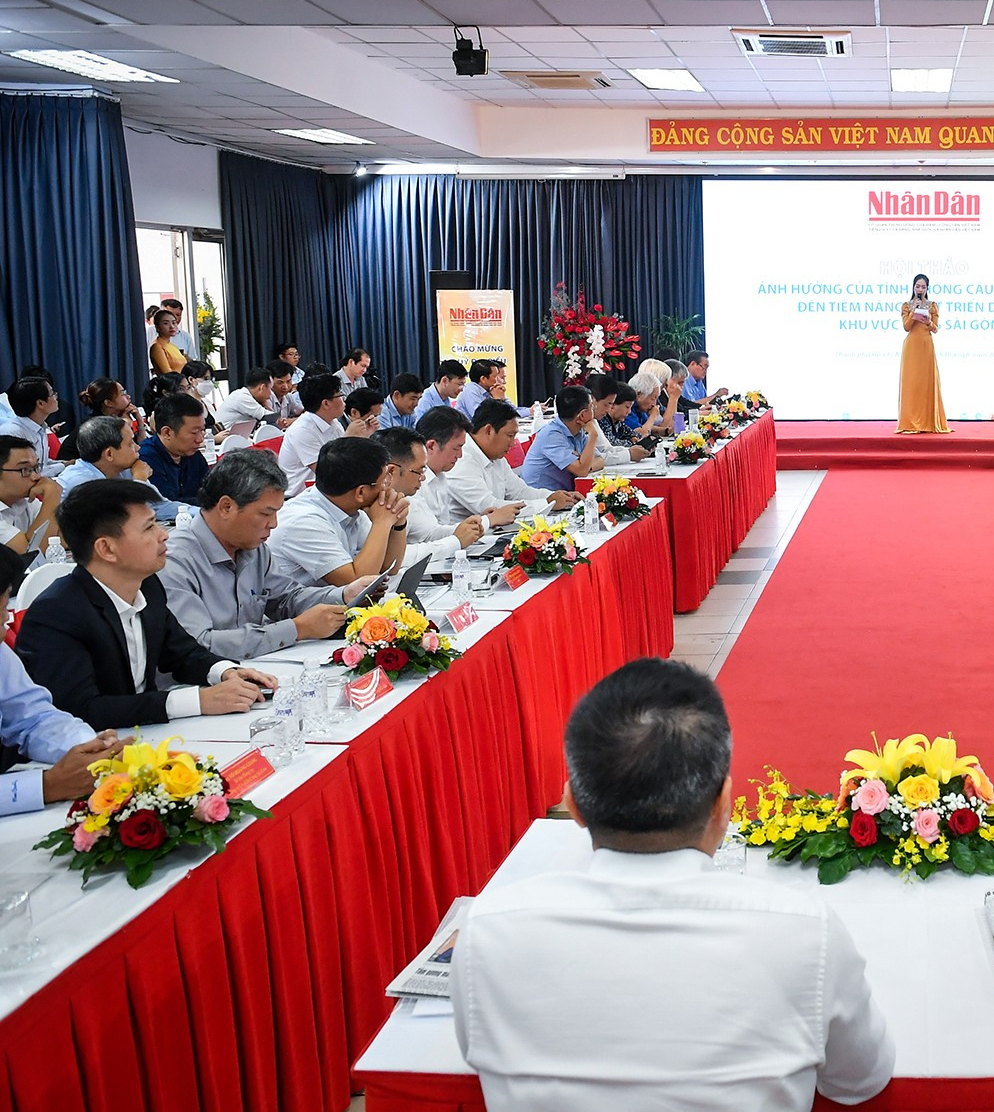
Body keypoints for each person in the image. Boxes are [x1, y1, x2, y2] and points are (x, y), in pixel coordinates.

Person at [451, 659, 895, 1109]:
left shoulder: (488, 929)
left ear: (574, 807)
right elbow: (858, 1082)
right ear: (724, 803)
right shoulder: (806, 932)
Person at [14, 479, 275, 725]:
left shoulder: (147, 585)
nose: (164, 535)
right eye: (149, 527)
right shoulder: (56, 614)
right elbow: (81, 709)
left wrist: (225, 672)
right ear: (106, 549)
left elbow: (182, 652)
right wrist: (197, 701)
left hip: (146, 734)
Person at [0, 536, 123, 826]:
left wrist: (91, 749)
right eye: (2, 608)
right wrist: (46, 786)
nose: (8, 618)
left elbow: (34, 719)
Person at [159, 450, 364, 658]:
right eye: (266, 514)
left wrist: (344, 594)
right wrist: (297, 629)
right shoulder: (174, 561)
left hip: (256, 667)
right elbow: (199, 645)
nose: (274, 524)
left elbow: (286, 598)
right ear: (226, 507)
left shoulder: (253, 548)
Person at [268, 437, 409, 587]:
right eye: (384, 480)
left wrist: (398, 521)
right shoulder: (304, 522)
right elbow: (358, 585)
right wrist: (382, 522)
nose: (388, 487)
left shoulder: (348, 506)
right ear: (360, 492)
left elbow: (389, 567)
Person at [441, 400, 582, 521]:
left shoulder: (496, 456)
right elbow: (490, 507)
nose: (513, 443)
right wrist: (547, 502)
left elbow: (520, 491)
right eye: (509, 435)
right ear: (489, 430)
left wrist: (558, 496)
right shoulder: (462, 459)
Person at [373, 427, 489, 567]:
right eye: (419, 471)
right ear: (392, 471)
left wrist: (466, 529)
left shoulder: (408, 497)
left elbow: (428, 533)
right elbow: (393, 558)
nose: (422, 478)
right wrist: (455, 541)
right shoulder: (368, 505)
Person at [412, 408, 524, 547]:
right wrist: (487, 520)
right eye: (456, 448)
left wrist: (478, 520)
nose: (460, 455)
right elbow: (429, 536)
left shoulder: (440, 476)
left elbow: (439, 530)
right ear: (432, 446)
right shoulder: (413, 481)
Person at [0, 435, 56, 552]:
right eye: (25, 470)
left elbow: (64, 538)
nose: (36, 476)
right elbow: (28, 554)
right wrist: (53, 496)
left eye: (36, 468)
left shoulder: (20, 498)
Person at [520, 386, 605, 493]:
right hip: (541, 498)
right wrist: (593, 436)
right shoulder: (551, 435)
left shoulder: (578, 430)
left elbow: (600, 460)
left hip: (562, 494)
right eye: (592, 408)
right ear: (582, 415)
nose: (594, 411)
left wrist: (586, 465)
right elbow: (582, 470)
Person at [277, 373, 350, 493]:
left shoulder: (333, 421)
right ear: (326, 403)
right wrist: (351, 438)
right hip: (299, 495)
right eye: (340, 395)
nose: (344, 400)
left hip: (324, 490)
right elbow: (329, 473)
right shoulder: (302, 431)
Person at [897, 272, 949, 434]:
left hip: (926, 345)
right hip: (912, 346)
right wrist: (915, 311)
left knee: (926, 383)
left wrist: (929, 321)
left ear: (927, 288)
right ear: (913, 287)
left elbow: (936, 329)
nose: (920, 289)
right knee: (912, 383)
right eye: (917, 286)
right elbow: (907, 326)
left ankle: (928, 421)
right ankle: (910, 422)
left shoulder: (932, 305)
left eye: (923, 286)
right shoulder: (907, 305)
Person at [138, 392, 211, 505]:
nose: (200, 439)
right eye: (194, 432)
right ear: (167, 432)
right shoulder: (146, 458)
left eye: (202, 430)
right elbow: (164, 504)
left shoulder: (193, 454)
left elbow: (211, 491)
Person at [0, 376, 64, 478]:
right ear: (40, 403)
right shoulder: (12, 432)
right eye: (52, 393)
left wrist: (68, 463)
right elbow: (26, 474)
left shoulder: (40, 426)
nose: (56, 397)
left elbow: (43, 464)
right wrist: (63, 466)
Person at [582, 377, 654, 466]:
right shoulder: (583, 422)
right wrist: (629, 454)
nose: (609, 409)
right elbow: (594, 459)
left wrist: (633, 450)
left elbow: (607, 449)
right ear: (592, 400)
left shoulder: (593, 421)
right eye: (607, 404)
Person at [216, 366, 277, 433]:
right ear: (262, 387)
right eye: (270, 389)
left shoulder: (248, 396)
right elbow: (270, 417)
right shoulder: (242, 397)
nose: (271, 394)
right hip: (224, 439)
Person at [149, 308, 187, 375]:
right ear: (157, 327)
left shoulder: (173, 346)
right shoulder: (157, 347)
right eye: (166, 323)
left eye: (174, 322)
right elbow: (168, 374)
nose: (172, 326)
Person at [267, 358, 303, 424]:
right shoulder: (266, 397)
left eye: (288, 381)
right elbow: (277, 423)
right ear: (270, 382)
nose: (285, 387)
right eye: (280, 382)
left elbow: (301, 412)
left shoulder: (288, 396)